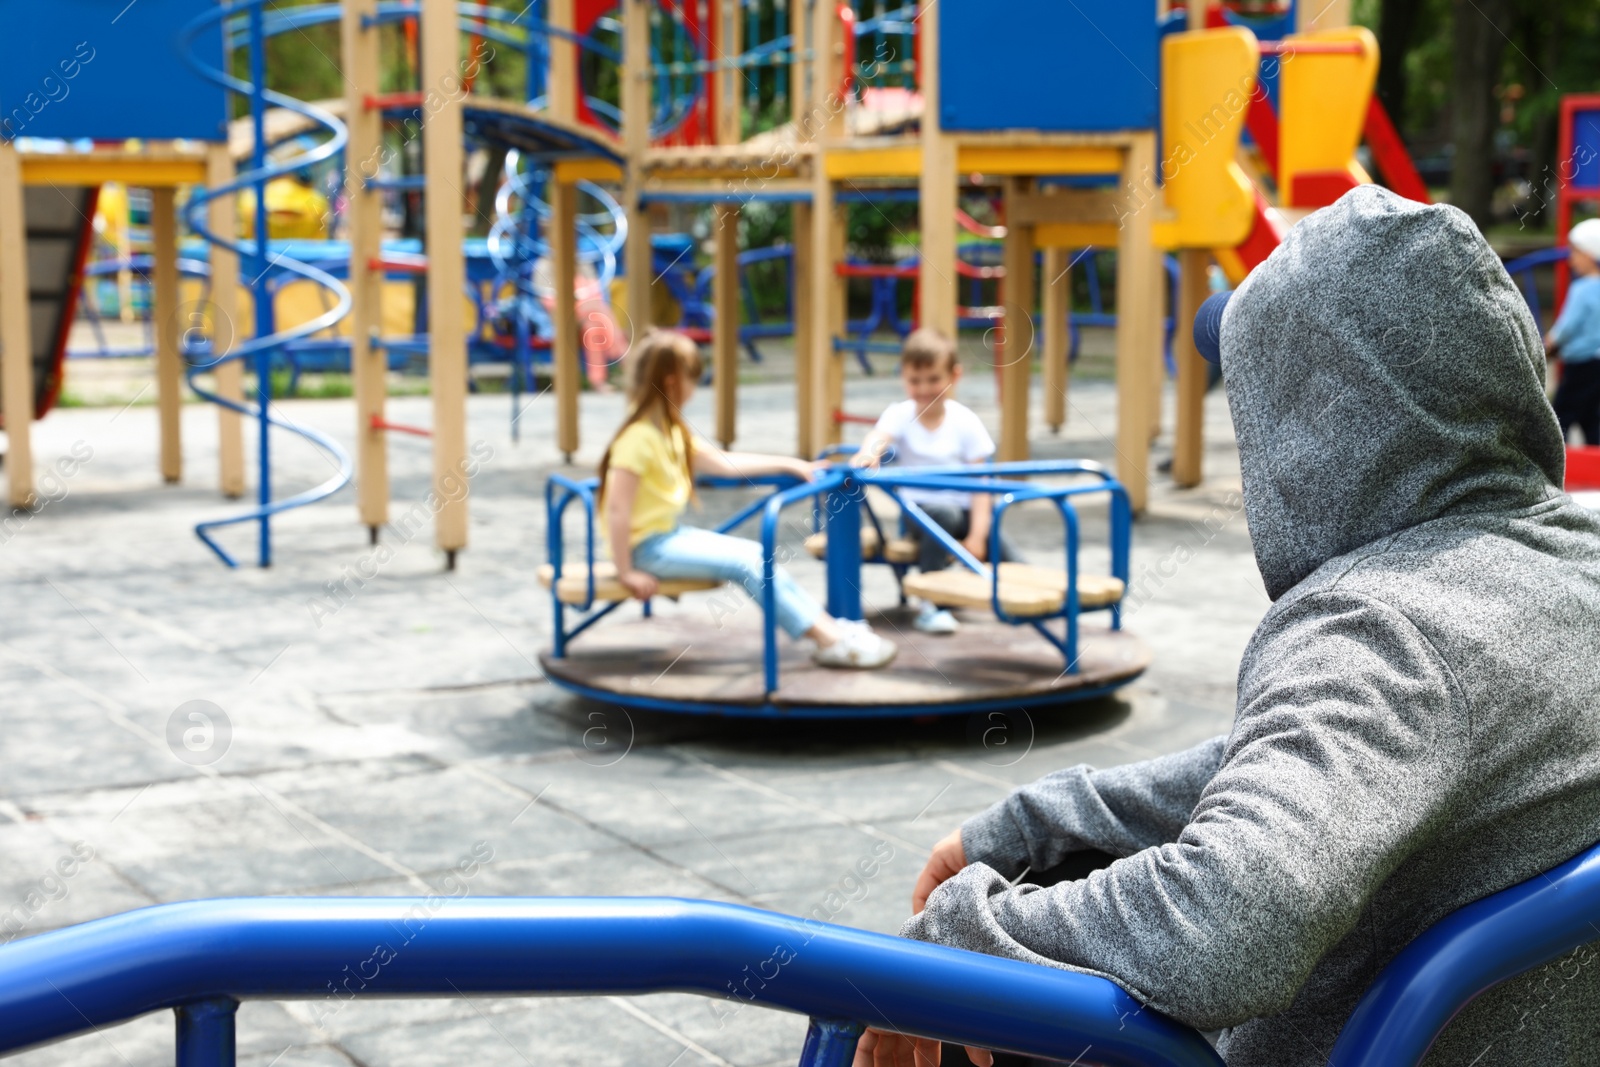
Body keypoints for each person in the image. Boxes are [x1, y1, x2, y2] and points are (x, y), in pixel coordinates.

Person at [855, 186, 1600, 1066]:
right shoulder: (1569, 558)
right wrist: (1036, 822)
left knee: (879, 1000)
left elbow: (1228, 922)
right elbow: (1325, 755)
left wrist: (955, 939)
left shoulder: (1377, 627)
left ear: (1312, 417)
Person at [600, 330, 896, 669]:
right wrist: (626, 571)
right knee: (746, 564)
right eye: (692, 380)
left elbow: (725, 462)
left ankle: (829, 629)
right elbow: (617, 508)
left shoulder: (669, 433)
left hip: (665, 537)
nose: (695, 391)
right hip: (646, 550)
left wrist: (790, 463)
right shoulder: (638, 438)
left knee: (756, 553)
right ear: (671, 383)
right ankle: (828, 640)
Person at [852, 328, 1016, 635]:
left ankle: (1032, 603)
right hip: (921, 513)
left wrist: (978, 537)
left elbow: (982, 485)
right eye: (915, 381)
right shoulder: (900, 415)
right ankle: (931, 603)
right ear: (904, 377)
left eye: (934, 380)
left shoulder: (965, 421)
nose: (925, 389)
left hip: (966, 512)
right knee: (943, 515)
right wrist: (868, 454)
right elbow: (879, 437)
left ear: (954, 376)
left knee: (1006, 552)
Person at [1544, 217, 1600, 444]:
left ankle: (1555, 458)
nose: (1571, 260)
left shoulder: (1582, 289)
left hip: (1581, 363)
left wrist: (1550, 341)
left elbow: (1568, 326)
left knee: (1561, 415)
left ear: (1591, 254)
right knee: (1591, 416)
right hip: (1597, 363)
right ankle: (1594, 459)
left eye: (1575, 253)